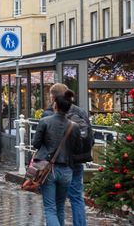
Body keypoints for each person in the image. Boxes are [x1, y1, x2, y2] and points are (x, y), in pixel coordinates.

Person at [42, 84, 91, 226]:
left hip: (58, 163)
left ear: (53, 97)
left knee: (56, 202)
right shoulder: (80, 112)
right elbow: (90, 137)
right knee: (77, 197)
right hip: (77, 161)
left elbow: (43, 142)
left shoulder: (49, 114)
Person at [33, 90, 81, 226]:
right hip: (66, 170)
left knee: (50, 208)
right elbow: (77, 149)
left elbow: (35, 143)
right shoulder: (74, 126)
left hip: (48, 170)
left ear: (55, 105)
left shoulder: (44, 122)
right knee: (60, 207)